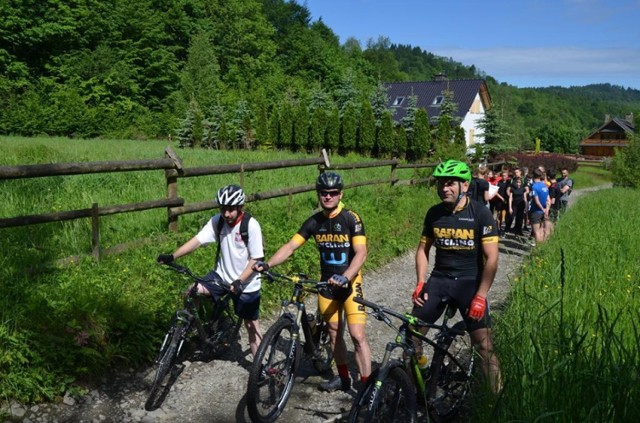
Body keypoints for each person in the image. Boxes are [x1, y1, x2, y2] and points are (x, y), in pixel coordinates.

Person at [252, 172, 371, 392]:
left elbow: (361, 253)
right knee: (334, 333)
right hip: (326, 286)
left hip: (350, 284)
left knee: (357, 335)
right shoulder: (314, 221)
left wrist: (346, 277)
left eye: (333, 193)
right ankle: (344, 378)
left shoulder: (350, 218)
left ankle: (367, 387)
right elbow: (290, 246)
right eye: (324, 193)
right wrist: (268, 264)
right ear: (319, 195)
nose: (328, 197)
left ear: (340, 194)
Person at [411, 159, 502, 394]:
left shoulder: (480, 213)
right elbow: (423, 250)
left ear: (464, 185)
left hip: (469, 282)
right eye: (441, 183)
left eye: (450, 183)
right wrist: (421, 282)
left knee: (483, 344)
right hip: (440, 279)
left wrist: (481, 296)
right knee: (411, 334)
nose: (444, 188)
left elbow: (492, 258)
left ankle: (497, 398)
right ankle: (418, 382)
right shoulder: (434, 213)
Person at [157, 185, 264, 357]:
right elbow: (197, 241)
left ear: (240, 207)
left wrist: (239, 281)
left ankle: (261, 369)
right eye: (223, 209)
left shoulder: (250, 225)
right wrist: (172, 256)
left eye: (230, 210)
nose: (226, 214)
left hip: (246, 282)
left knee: (251, 326)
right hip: (221, 276)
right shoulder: (218, 221)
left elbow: (256, 258)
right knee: (191, 292)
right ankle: (188, 330)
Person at [528, 168, 550, 245]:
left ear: (533, 176)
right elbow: (548, 200)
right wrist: (546, 210)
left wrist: (542, 209)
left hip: (536, 211)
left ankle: (538, 249)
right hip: (544, 211)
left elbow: (537, 201)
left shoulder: (534, 187)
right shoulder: (545, 186)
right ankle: (542, 247)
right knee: (541, 230)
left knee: (536, 232)